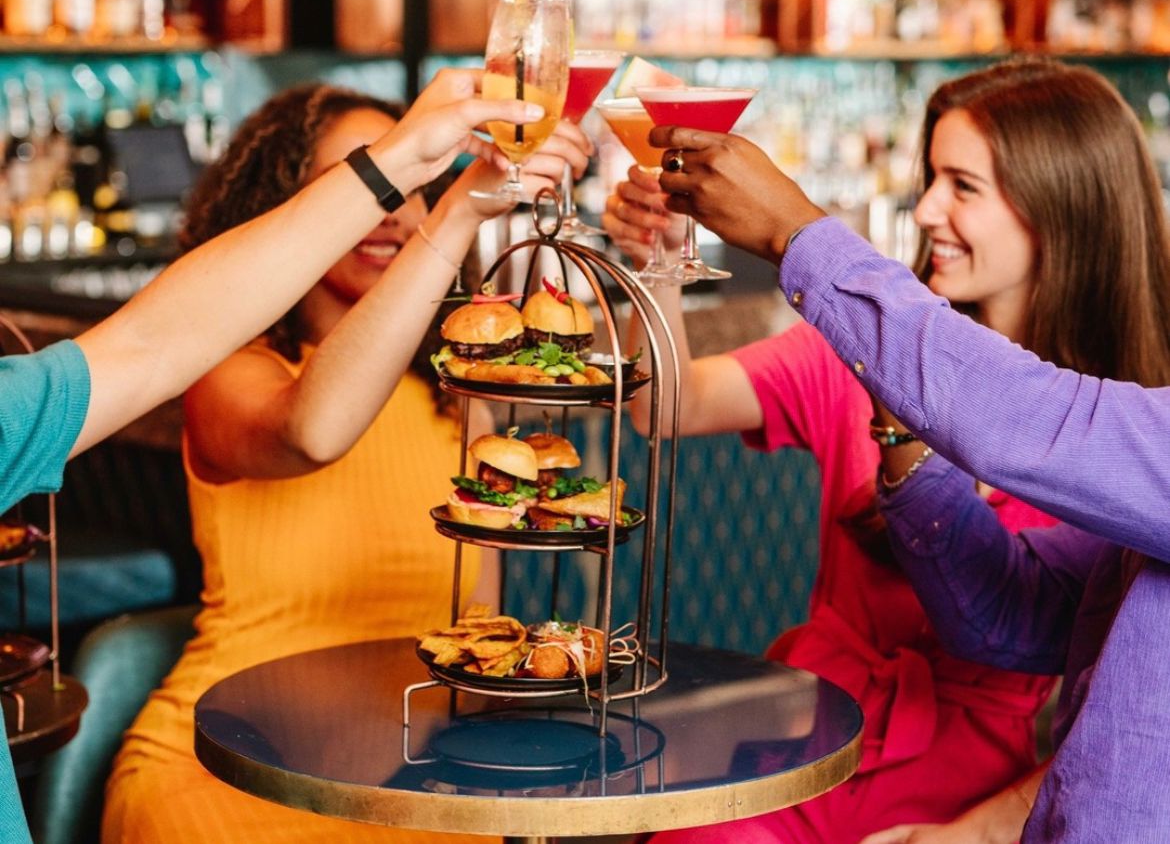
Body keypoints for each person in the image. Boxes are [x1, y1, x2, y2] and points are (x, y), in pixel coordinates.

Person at [604, 59, 1170, 842]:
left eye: (964, 186)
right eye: (930, 175)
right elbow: (664, 404)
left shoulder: (1110, 426)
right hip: (817, 733)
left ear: (1062, 209)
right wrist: (658, 262)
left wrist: (799, 232)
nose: (927, 208)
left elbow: (1004, 420)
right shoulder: (857, 350)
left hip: (971, 785)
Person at [0, 69, 544, 844]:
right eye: (369, 185)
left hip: (416, 780)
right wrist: (454, 214)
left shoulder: (455, 397)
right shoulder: (232, 370)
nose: (393, 212)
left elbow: (478, 626)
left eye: (414, 183)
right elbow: (310, 428)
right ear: (294, 215)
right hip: (229, 763)